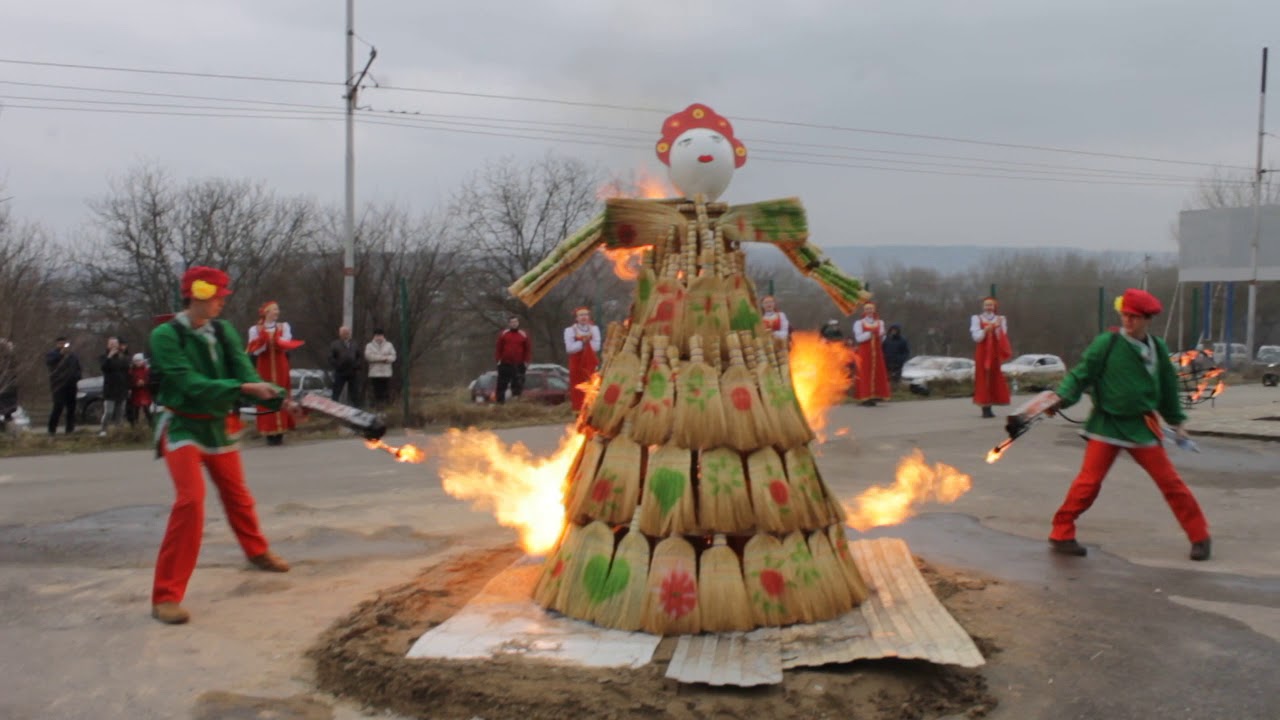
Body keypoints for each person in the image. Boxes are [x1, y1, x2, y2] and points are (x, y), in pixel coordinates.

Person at [149, 266, 292, 625]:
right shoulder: (166, 336)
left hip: (218, 426)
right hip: (182, 425)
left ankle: (256, 551)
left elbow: (244, 370)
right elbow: (188, 383)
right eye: (215, 297)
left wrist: (277, 398)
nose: (219, 304)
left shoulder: (223, 330)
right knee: (190, 502)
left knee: (237, 494)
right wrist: (245, 390)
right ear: (196, 296)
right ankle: (166, 596)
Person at [1046, 288, 1211, 562]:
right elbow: (1080, 375)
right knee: (1088, 483)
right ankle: (1061, 532)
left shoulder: (1157, 347)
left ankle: (1200, 536)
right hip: (1106, 425)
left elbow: (1168, 388)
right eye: (1125, 315)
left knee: (1171, 483)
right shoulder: (1106, 343)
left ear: (1147, 319)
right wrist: (1061, 398)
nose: (1128, 321)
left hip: (1142, 427)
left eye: (1134, 317)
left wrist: (1177, 421)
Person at [247, 301, 303, 446]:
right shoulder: (255, 329)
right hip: (264, 366)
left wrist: (278, 341)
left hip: (280, 365)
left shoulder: (283, 327)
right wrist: (263, 341)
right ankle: (268, 431)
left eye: (278, 309)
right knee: (266, 395)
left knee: (281, 394)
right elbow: (255, 351)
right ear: (266, 312)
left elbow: (286, 345)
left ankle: (281, 431)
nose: (277, 312)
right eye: (274, 310)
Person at [971, 296, 1012, 418]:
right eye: (986, 305)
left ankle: (992, 403)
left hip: (994, 352)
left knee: (994, 377)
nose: (988, 307)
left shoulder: (1001, 319)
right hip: (982, 352)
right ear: (983, 307)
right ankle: (985, 407)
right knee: (983, 378)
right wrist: (986, 330)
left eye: (991, 305)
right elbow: (976, 337)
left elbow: (1002, 336)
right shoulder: (976, 318)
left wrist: (996, 327)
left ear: (994, 307)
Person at [852, 302, 891, 405]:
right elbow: (859, 338)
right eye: (867, 309)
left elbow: (882, 338)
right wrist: (870, 333)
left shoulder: (880, 322)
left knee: (877, 372)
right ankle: (865, 396)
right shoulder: (859, 323)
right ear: (864, 311)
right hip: (865, 352)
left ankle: (876, 395)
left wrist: (882, 335)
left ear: (874, 310)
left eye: (871, 309)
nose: (869, 311)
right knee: (865, 373)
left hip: (877, 352)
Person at [563, 307, 601, 411]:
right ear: (576, 318)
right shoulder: (570, 330)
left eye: (586, 315)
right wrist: (583, 342)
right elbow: (570, 348)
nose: (584, 317)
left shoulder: (594, 329)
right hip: (576, 362)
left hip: (590, 362)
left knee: (592, 385)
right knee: (577, 387)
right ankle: (578, 410)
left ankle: (592, 410)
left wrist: (582, 343)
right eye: (581, 315)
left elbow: (596, 347)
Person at [45, 336, 82, 435]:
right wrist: (60, 354)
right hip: (58, 385)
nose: (63, 346)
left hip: (71, 384)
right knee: (58, 406)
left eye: (64, 343)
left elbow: (78, 368)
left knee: (71, 408)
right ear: (57, 344)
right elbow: (50, 363)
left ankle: (69, 429)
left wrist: (76, 377)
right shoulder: (52, 354)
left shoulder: (72, 356)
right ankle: (52, 429)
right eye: (60, 343)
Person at [98, 336, 131, 436]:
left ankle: (118, 431)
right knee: (109, 412)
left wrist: (128, 387)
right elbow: (103, 368)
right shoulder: (104, 356)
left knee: (120, 413)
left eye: (115, 344)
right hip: (110, 389)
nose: (114, 346)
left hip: (122, 389)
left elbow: (127, 373)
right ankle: (103, 429)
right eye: (111, 344)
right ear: (108, 345)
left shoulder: (123, 357)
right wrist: (109, 357)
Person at [495, 316, 531, 404]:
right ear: (509, 324)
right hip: (505, 364)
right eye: (512, 322)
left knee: (518, 385)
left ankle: (515, 404)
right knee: (501, 384)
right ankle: (500, 404)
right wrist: (498, 360)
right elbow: (498, 348)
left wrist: (526, 361)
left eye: (515, 322)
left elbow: (528, 349)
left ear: (518, 323)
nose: (514, 323)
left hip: (519, 364)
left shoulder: (523, 334)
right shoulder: (503, 334)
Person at [329, 326, 363, 406]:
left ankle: (357, 410)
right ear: (340, 334)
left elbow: (359, 356)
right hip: (340, 372)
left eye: (347, 333)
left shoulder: (354, 344)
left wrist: (357, 365)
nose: (346, 335)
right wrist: (338, 365)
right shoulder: (335, 344)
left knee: (355, 393)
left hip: (352, 371)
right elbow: (330, 358)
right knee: (336, 392)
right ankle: (333, 409)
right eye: (343, 333)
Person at [364, 328, 397, 410]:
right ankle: (377, 407)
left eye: (380, 335)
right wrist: (382, 358)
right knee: (376, 391)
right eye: (377, 335)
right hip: (374, 373)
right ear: (374, 336)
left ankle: (386, 407)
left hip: (386, 373)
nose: (379, 337)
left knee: (385, 391)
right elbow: (368, 357)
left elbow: (393, 357)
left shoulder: (389, 345)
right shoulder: (369, 345)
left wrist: (386, 359)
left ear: (383, 336)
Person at [127, 353, 154, 427]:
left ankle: (151, 425)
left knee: (147, 410)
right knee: (135, 410)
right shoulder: (131, 371)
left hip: (145, 393)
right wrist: (136, 384)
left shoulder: (147, 370)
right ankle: (135, 427)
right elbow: (129, 381)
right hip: (135, 393)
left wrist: (144, 383)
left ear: (142, 361)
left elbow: (150, 380)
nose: (137, 362)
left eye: (139, 361)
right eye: (135, 361)